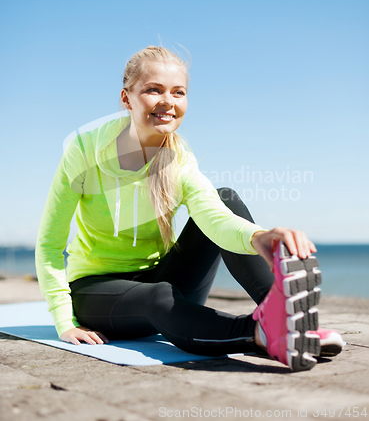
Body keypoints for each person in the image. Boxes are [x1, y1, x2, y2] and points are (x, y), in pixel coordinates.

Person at [35, 46, 344, 373]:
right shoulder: (84, 151)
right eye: (154, 90)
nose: (167, 101)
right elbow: (50, 242)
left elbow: (214, 216)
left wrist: (258, 237)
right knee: (157, 296)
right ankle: (260, 333)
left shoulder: (180, 158)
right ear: (126, 98)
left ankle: (284, 316)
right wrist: (63, 321)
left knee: (225, 196)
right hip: (98, 291)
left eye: (178, 92)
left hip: (162, 279)